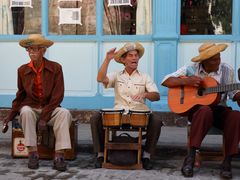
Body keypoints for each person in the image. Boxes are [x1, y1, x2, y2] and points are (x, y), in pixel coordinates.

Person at [162, 42, 240, 179]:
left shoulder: (227, 70)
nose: (218, 61)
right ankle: (190, 158)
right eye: (214, 59)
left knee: (235, 116)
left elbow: (234, 94)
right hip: (198, 111)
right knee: (204, 110)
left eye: (219, 58)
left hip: (219, 110)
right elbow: (166, 81)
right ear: (204, 61)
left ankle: (227, 161)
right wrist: (187, 81)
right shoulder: (192, 69)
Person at [2, 34, 72, 171]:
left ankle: (59, 155)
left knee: (64, 113)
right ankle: (33, 153)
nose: (31, 52)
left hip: (50, 109)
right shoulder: (22, 70)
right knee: (26, 111)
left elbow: (58, 96)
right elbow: (20, 95)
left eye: (35, 49)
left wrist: (44, 118)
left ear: (43, 50)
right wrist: (9, 117)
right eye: (29, 49)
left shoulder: (56, 68)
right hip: (32, 109)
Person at [90, 42, 162, 170]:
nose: (135, 58)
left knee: (156, 120)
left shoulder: (145, 77)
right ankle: (100, 154)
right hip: (118, 113)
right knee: (95, 117)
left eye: (136, 55)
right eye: (131, 55)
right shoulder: (116, 75)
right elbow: (100, 79)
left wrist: (145, 94)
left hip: (140, 113)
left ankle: (147, 155)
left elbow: (156, 96)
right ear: (123, 60)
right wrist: (107, 59)